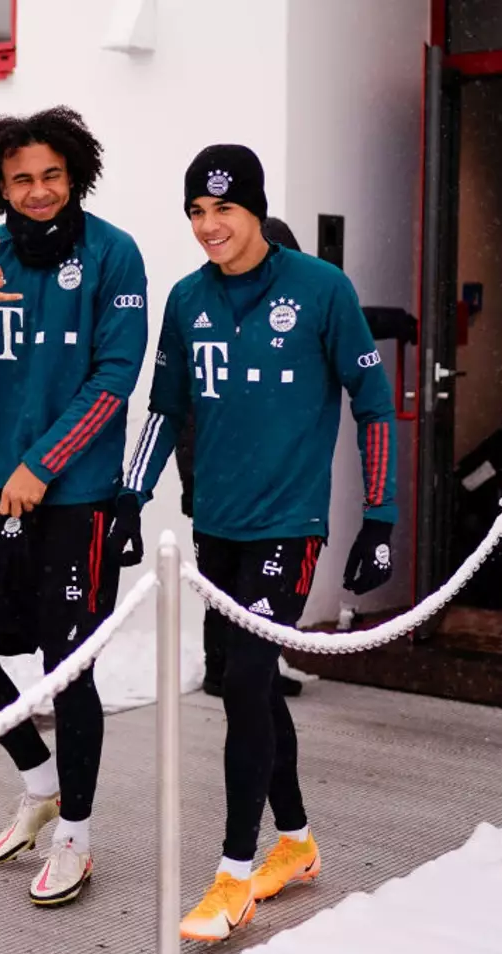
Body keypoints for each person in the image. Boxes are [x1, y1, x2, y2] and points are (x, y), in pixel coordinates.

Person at [109, 145, 396, 941]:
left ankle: (234, 875)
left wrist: (380, 517)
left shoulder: (321, 291)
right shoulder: (186, 299)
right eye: (197, 212)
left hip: (289, 527)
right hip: (220, 531)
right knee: (251, 686)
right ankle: (297, 842)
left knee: (244, 683)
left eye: (223, 211)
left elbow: (373, 405)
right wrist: (130, 501)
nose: (209, 226)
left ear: (257, 210)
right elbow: (165, 409)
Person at [0, 106, 149, 907]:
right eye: (21, 178)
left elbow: (114, 379)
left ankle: (77, 837)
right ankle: (40, 782)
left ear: (74, 174)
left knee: (69, 672)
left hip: (76, 502)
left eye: (51, 175)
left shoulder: (113, 255)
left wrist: (43, 465)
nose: (37, 190)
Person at [180, 215, 306, 698]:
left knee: (247, 588)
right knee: (223, 587)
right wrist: (194, 481)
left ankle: (252, 670)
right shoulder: (206, 314)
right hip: (217, 484)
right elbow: (187, 413)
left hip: (266, 488)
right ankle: (225, 670)